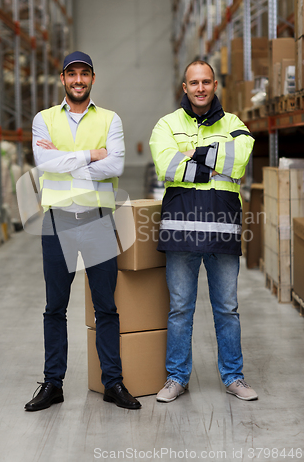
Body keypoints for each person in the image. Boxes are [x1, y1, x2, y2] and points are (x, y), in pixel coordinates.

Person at [25, 51, 141, 411]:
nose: (78, 80)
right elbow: (44, 163)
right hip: (56, 222)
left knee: (106, 306)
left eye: (84, 74)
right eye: (71, 74)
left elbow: (116, 163)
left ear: (93, 78)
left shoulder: (111, 118)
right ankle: (53, 384)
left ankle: (113, 383)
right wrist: (92, 154)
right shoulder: (43, 119)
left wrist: (65, 161)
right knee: (54, 307)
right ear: (62, 79)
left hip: (98, 220)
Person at [149, 60, 257, 403]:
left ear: (214, 86)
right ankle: (177, 378)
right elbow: (165, 164)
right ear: (184, 87)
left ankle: (234, 377)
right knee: (180, 308)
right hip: (181, 231)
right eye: (193, 82)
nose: (200, 88)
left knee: (227, 308)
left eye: (206, 82)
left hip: (222, 230)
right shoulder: (166, 124)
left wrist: (191, 155)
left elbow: (240, 160)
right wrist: (213, 158)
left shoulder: (235, 124)